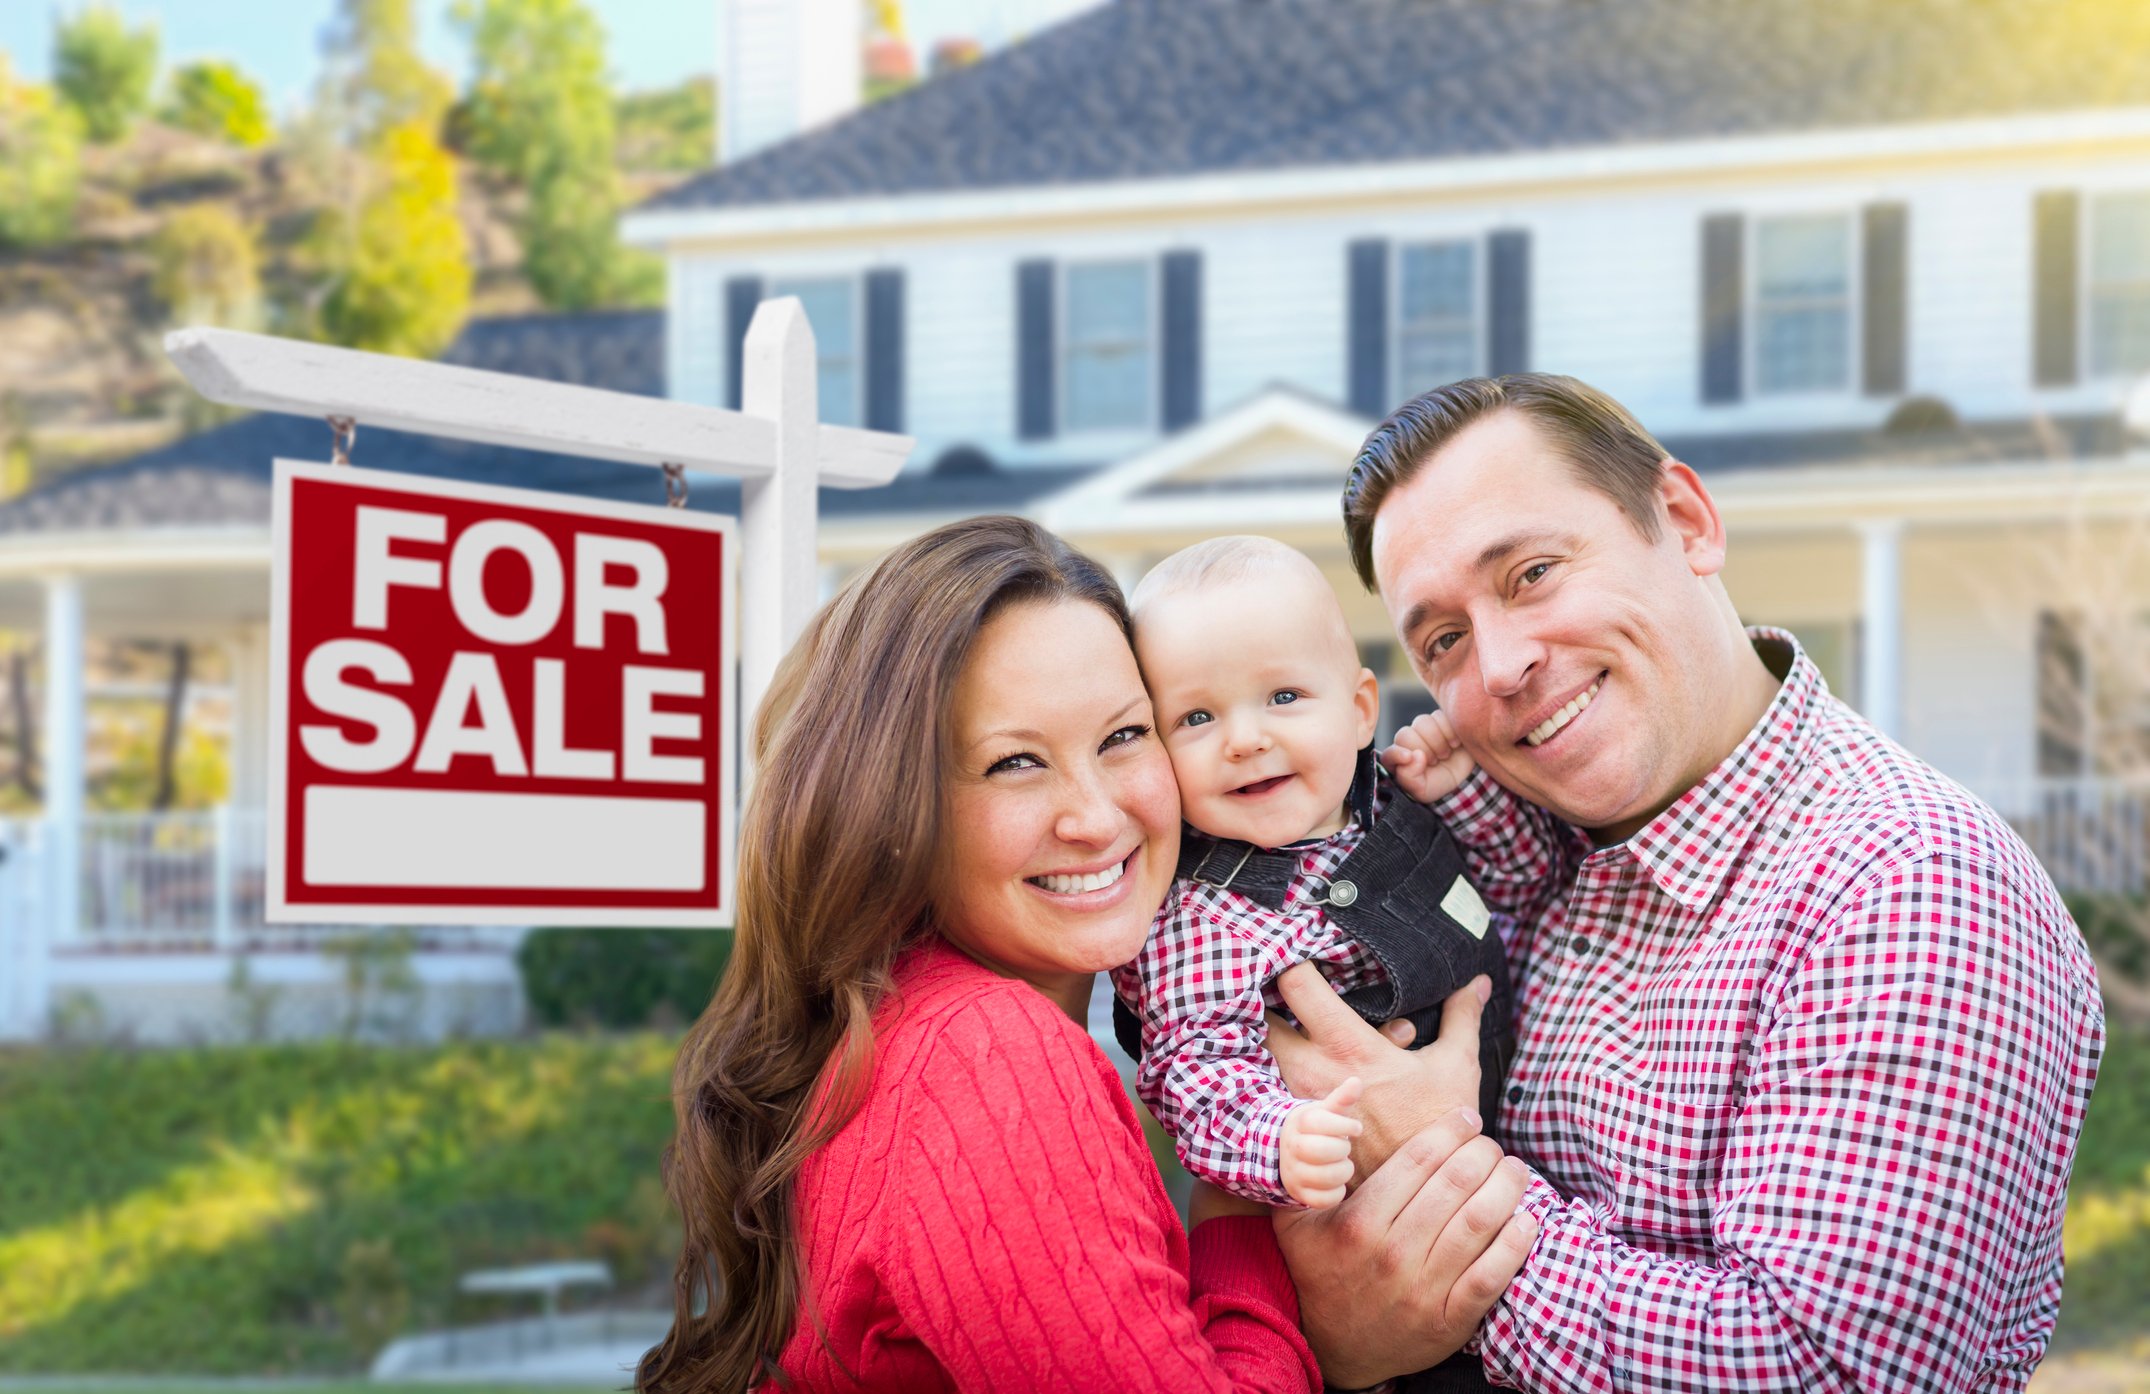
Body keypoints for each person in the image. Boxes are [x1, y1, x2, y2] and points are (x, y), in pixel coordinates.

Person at [1264, 373, 2107, 1392]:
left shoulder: (1907, 883)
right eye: (1441, 638)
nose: (1497, 664)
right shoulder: (1511, 848)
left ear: (1685, 520)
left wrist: (1435, 1187)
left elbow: (1825, 1371)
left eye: (1530, 572)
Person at [632, 515, 1540, 1394]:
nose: (1097, 817)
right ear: (889, 805)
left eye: (1121, 737)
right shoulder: (988, 1058)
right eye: (1014, 763)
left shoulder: (906, 1018)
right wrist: (1262, 1254)